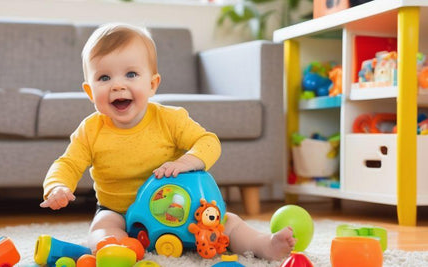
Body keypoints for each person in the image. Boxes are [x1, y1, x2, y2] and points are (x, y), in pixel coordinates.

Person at [40, 22, 295, 261]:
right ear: (89, 91)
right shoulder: (90, 130)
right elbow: (68, 163)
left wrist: (188, 161)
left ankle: (265, 245)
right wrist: (57, 186)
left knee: (229, 223)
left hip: (176, 209)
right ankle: (117, 249)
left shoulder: (169, 119)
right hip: (120, 212)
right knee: (102, 226)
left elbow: (208, 141)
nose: (117, 85)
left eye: (131, 74)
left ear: (152, 84)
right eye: (104, 78)